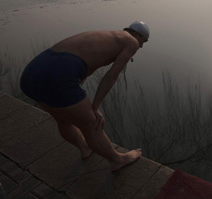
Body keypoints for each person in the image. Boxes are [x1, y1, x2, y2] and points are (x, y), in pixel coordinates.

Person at [20, 21, 150, 171]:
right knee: (92, 124)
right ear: (137, 35)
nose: (140, 46)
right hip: (57, 75)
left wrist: (78, 99)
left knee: (63, 119)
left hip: (31, 73)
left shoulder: (107, 36)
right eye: (143, 41)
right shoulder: (131, 41)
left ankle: (85, 148)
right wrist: (94, 107)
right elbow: (111, 76)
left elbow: (86, 68)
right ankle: (117, 160)